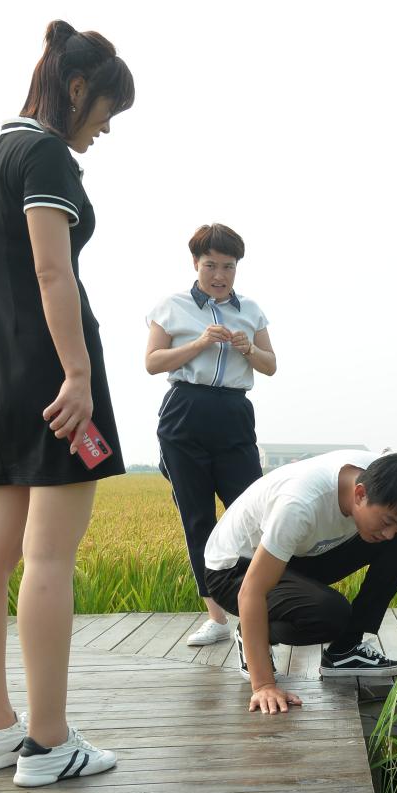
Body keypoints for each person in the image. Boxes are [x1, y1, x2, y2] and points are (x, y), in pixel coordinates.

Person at [0, 21, 133, 787]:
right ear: (78, 89)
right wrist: (78, 373)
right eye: (107, 113)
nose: (105, 132)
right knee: (49, 556)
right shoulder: (45, 155)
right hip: (53, 376)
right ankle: (49, 742)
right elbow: (53, 273)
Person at [202, 450, 397, 713]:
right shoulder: (298, 505)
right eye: (386, 522)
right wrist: (263, 686)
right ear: (360, 494)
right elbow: (251, 591)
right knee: (331, 615)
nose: (388, 534)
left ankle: (345, 650)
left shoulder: (377, 471)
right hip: (235, 570)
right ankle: (254, 633)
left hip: (297, 554)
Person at [145, 224, 276, 648]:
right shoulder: (173, 306)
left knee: (253, 514)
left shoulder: (251, 310)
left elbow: (270, 364)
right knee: (197, 517)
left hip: (234, 414)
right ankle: (217, 618)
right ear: (195, 264)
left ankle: (261, 610)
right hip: (185, 412)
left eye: (228, 266)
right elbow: (153, 362)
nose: (219, 275)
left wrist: (247, 350)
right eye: (210, 266)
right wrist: (200, 343)